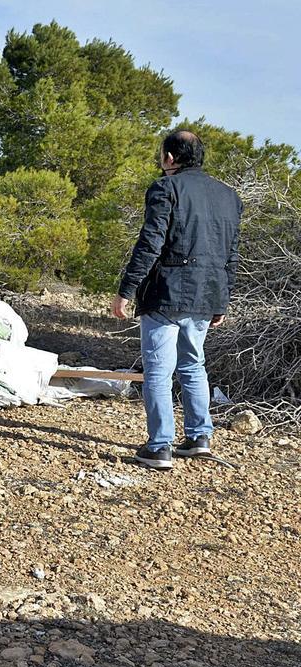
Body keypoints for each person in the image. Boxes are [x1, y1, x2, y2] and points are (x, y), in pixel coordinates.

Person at [111, 129, 241, 470]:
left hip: (167, 293)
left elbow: (150, 243)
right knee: (193, 365)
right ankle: (199, 437)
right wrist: (221, 300)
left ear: (170, 158)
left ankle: (160, 447)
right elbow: (231, 254)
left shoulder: (164, 188)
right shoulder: (229, 195)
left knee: (158, 370)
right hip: (206, 294)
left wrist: (126, 290)